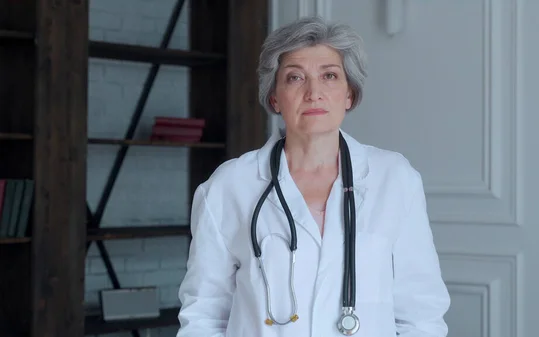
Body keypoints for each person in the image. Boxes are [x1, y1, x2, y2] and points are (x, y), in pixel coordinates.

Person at [176, 16, 450, 337]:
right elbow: (204, 314)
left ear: (350, 94)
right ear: (274, 98)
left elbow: (421, 314)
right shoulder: (228, 186)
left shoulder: (395, 179)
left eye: (330, 76)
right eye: (295, 77)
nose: (313, 92)